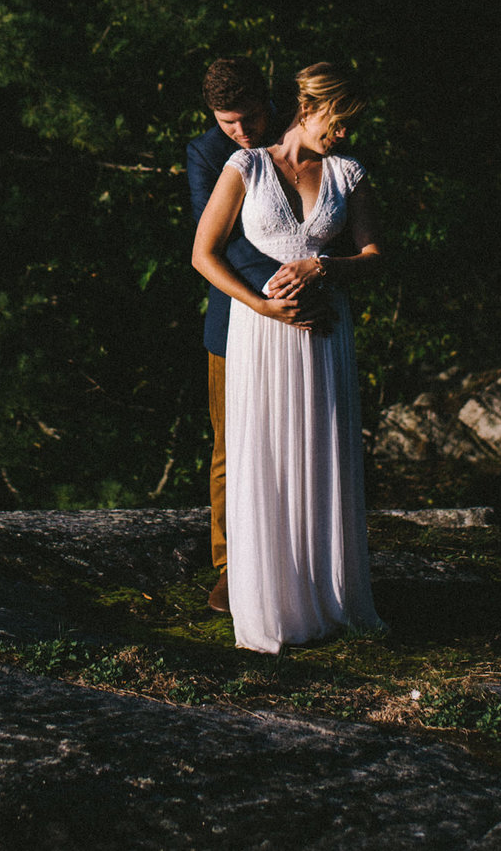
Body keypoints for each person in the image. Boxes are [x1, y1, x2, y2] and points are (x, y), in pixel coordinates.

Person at [189, 61, 382, 652]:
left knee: (324, 453)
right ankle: (263, 594)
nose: (344, 133)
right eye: (338, 121)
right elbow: (204, 252)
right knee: (257, 453)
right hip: (259, 330)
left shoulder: (348, 172)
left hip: (325, 332)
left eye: (351, 124)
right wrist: (265, 304)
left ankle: (327, 594)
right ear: (310, 108)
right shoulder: (239, 164)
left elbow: (376, 254)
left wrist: (325, 267)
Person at [184, 60, 289, 613]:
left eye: (249, 119)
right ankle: (229, 567)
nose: (243, 134)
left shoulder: (301, 134)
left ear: (267, 101)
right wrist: (273, 293)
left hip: (306, 309)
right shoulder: (206, 153)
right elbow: (214, 236)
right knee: (230, 447)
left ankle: (297, 561)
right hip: (234, 315)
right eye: (229, 124)